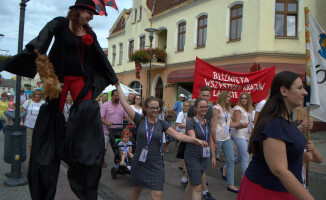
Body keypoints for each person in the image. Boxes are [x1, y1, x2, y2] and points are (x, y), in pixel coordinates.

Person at [0, 0, 118, 199]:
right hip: (57, 76)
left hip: (81, 78)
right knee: (53, 112)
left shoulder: (90, 33)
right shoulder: (60, 23)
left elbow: (100, 56)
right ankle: (48, 156)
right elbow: (45, 35)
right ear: (78, 10)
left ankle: (81, 152)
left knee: (88, 109)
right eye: (90, 13)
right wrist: (39, 53)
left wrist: (115, 82)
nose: (92, 17)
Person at [114, 81, 207, 200]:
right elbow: (124, 103)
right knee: (137, 189)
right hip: (140, 162)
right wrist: (117, 86)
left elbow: (178, 135)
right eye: (152, 108)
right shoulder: (139, 120)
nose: (155, 110)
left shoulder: (162, 124)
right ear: (145, 108)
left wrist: (195, 140)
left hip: (156, 163)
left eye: (157, 108)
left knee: (157, 195)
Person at [237, 71, 315, 200]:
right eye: (300, 88)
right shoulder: (274, 123)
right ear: (284, 91)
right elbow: (280, 170)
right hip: (266, 192)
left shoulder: (286, 121)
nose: (305, 93)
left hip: (284, 189)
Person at [182, 86, 215, 200]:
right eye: (201, 107)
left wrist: (213, 157)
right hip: (192, 156)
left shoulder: (207, 122)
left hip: (204, 157)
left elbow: (210, 138)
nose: (204, 109)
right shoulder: (191, 122)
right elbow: (192, 137)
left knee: (192, 183)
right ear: (196, 108)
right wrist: (200, 142)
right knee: (197, 186)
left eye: (206, 107)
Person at [211, 90, 246, 193]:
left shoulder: (228, 109)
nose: (229, 98)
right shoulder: (216, 108)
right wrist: (214, 140)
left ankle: (231, 185)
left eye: (230, 96)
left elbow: (231, 124)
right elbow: (213, 126)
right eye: (227, 96)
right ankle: (198, 178)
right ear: (222, 97)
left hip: (226, 138)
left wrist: (241, 124)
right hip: (217, 138)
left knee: (230, 160)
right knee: (209, 161)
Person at [101, 89, 133, 167]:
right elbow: (101, 118)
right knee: (104, 146)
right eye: (115, 95)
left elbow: (126, 116)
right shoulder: (106, 105)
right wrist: (107, 122)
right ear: (111, 96)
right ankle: (102, 159)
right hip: (107, 130)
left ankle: (120, 159)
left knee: (120, 146)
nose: (117, 97)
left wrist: (132, 122)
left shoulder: (121, 105)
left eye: (118, 95)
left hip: (118, 130)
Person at [230, 92, 253, 175]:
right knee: (246, 157)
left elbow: (249, 123)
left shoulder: (248, 110)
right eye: (242, 98)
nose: (244, 100)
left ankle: (225, 168)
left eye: (246, 98)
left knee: (239, 158)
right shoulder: (237, 109)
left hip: (246, 135)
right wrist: (242, 125)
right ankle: (245, 182)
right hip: (239, 134)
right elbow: (235, 125)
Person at [175, 101, 190, 171]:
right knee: (185, 151)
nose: (186, 107)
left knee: (183, 149)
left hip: (186, 134)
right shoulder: (181, 114)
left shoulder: (189, 114)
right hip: (182, 134)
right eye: (184, 106)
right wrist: (188, 126)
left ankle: (180, 165)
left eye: (187, 106)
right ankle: (185, 168)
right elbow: (178, 124)